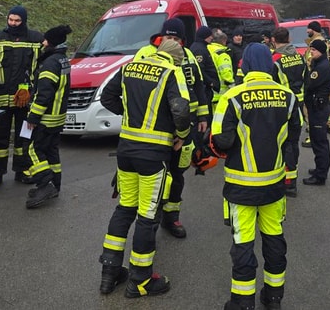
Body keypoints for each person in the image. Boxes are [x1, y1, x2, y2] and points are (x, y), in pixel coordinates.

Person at [98, 39, 191, 298]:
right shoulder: (171, 72)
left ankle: (110, 272)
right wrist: (181, 134)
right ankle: (140, 279)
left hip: (126, 150)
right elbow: (181, 110)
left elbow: (107, 96)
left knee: (125, 208)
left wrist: (128, 113)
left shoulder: (130, 66)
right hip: (153, 154)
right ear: (175, 59)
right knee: (148, 215)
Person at [212, 43, 300, 310]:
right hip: (274, 184)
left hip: (241, 186)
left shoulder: (232, 96)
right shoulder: (288, 96)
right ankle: (274, 298)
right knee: (274, 240)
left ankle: (243, 302)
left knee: (243, 244)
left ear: (245, 66)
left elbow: (221, 140)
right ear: (270, 66)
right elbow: (294, 136)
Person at [134, 18, 209, 238]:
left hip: (186, 126)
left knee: (178, 174)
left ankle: (171, 217)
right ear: (161, 38)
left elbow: (199, 86)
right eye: (169, 38)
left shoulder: (188, 57)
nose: (173, 42)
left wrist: (203, 114)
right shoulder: (146, 54)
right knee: (157, 176)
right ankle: (151, 219)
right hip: (157, 127)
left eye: (177, 38)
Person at [0, 5, 44, 189]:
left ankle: (23, 170)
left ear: (24, 20)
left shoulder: (36, 39)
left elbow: (41, 65)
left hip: (24, 99)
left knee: (23, 135)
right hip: (0, 97)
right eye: (11, 20)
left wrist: (33, 86)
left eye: (17, 21)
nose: (13, 23)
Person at [24, 25, 72, 209]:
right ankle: (55, 184)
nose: (43, 42)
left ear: (51, 42)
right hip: (57, 116)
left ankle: (45, 184)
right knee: (51, 151)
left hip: (46, 117)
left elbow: (44, 94)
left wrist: (33, 117)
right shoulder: (62, 60)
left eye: (45, 40)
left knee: (33, 150)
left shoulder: (50, 63)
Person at [270, 26, 306, 198]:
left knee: (281, 144)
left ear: (273, 40)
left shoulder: (275, 59)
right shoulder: (299, 57)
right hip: (298, 105)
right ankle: (291, 182)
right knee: (293, 143)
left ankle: (284, 182)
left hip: (282, 107)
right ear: (289, 39)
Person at [302, 38, 330, 186]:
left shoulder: (322, 67)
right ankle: (319, 169)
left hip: (319, 108)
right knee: (316, 140)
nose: (311, 52)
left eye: (313, 50)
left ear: (320, 51)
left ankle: (321, 175)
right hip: (316, 107)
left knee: (320, 142)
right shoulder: (318, 64)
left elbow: (310, 84)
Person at [190, 25, 220, 106]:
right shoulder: (199, 49)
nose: (211, 38)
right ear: (204, 36)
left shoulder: (200, 46)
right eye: (209, 35)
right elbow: (200, 69)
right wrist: (210, 82)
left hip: (205, 87)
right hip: (204, 88)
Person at [208, 29, 236, 110]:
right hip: (220, 94)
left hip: (209, 92)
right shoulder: (222, 54)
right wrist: (233, 86)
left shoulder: (207, 50)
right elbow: (226, 73)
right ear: (224, 41)